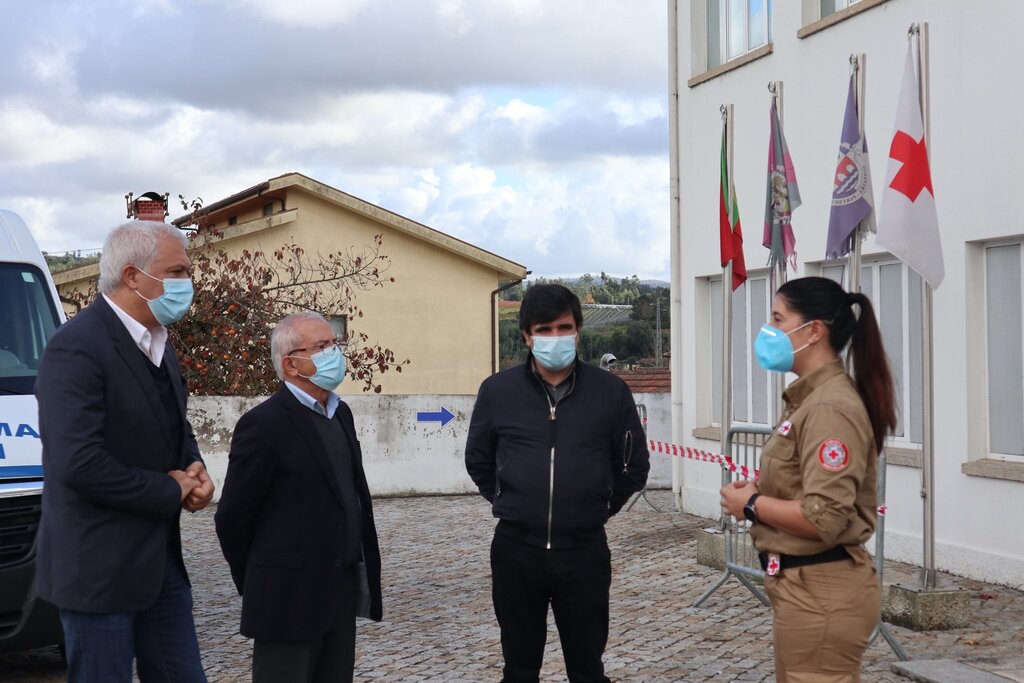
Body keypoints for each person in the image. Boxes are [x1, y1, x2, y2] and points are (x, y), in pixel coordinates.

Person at [35, 220, 214, 682]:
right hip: (98, 572)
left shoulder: (160, 343)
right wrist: (166, 490)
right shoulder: (75, 349)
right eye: (176, 272)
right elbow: (79, 462)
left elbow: (173, 426)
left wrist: (194, 470)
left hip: (159, 566)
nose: (186, 283)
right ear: (134, 276)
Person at [465, 283, 650, 683]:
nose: (554, 338)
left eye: (563, 327)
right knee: (518, 669)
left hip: (583, 553)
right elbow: (478, 459)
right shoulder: (497, 392)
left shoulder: (610, 392)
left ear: (579, 331)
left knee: (587, 669)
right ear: (527, 336)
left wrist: (600, 507)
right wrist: (508, 499)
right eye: (543, 330)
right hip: (516, 551)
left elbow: (634, 465)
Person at [720, 276, 896, 683]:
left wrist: (749, 505)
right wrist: (761, 491)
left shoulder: (829, 406)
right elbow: (803, 485)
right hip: (803, 586)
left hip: (822, 589)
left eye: (778, 320)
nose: (769, 331)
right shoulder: (809, 398)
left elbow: (825, 516)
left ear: (814, 330)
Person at [215, 312, 382, 683]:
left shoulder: (341, 415)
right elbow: (232, 518)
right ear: (291, 364)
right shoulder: (264, 425)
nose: (333, 353)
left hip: (337, 596)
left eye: (335, 344)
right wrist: (263, 579)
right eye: (321, 347)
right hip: (285, 603)